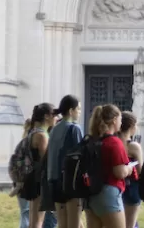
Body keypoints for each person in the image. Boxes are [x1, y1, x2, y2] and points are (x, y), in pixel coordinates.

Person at [84, 104, 133, 228]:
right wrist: (129, 169)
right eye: (120, 119)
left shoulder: (92, 141)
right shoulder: (114, 142)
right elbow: (119, 172)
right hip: (109, 192)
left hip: (91, 192)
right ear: (114, 120)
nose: (121, 123)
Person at [46, 95, 86, 228]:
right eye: (78, 109)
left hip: (54, 181)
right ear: (71, 111)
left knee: (62, 223)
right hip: (71, 182)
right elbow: (80, 156)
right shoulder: (74, 128)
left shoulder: (54, 129)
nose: (79, 112)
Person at [20, 103, 57, 228]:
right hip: (40, 182)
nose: (56, 118)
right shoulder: (42, 136)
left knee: (34, 220)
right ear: (46, 116)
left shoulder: (33, 132)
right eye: (54, 115)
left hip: (32, 180)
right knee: (37, 222)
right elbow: (46, 162)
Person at [119, 111, 143, 228]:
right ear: (132, 127)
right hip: (131, 187)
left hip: (116, 186)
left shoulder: (114, 142)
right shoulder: (133, 146)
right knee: (130, 224)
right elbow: (140, 170)